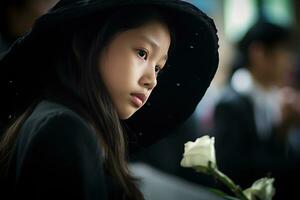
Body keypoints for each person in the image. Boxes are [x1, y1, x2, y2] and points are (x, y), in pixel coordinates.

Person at [0, 0, 219, 199]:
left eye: (158, 68)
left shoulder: (59, 120)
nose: (152, 80)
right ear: (85, 42)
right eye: (142, 53)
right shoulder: (66, 128)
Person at [212, 21, 299, 199]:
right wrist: (282, 131)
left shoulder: (276, 97)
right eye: (284, 51)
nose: (290, 62)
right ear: (258, 53)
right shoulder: (231, 104)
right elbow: (237, 174)